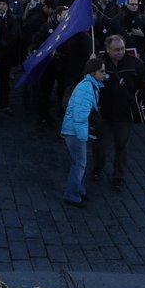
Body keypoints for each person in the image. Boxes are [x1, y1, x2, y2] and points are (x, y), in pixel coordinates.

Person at [93, 34, 145, 190]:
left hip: (125, 113)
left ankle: (118, 176)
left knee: (122, 146)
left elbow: (144, 84)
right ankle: (97, 168)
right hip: (104, 112)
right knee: (101, 145)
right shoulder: (99, 63)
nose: (120, 52)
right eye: (116, 50)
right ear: (107, 49)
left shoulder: (134, 63)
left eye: (122, 49)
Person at [61, 57, 104, 207]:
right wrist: (83, 136)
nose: (105, 74)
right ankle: (71, 194)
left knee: (79, 163)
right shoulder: (87, 88)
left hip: (74, 131)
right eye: (102, 71)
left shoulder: (90, 85)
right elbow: (80, 116)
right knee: (79, 163)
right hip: (75, 132)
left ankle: (79, 189)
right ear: (94, 72)